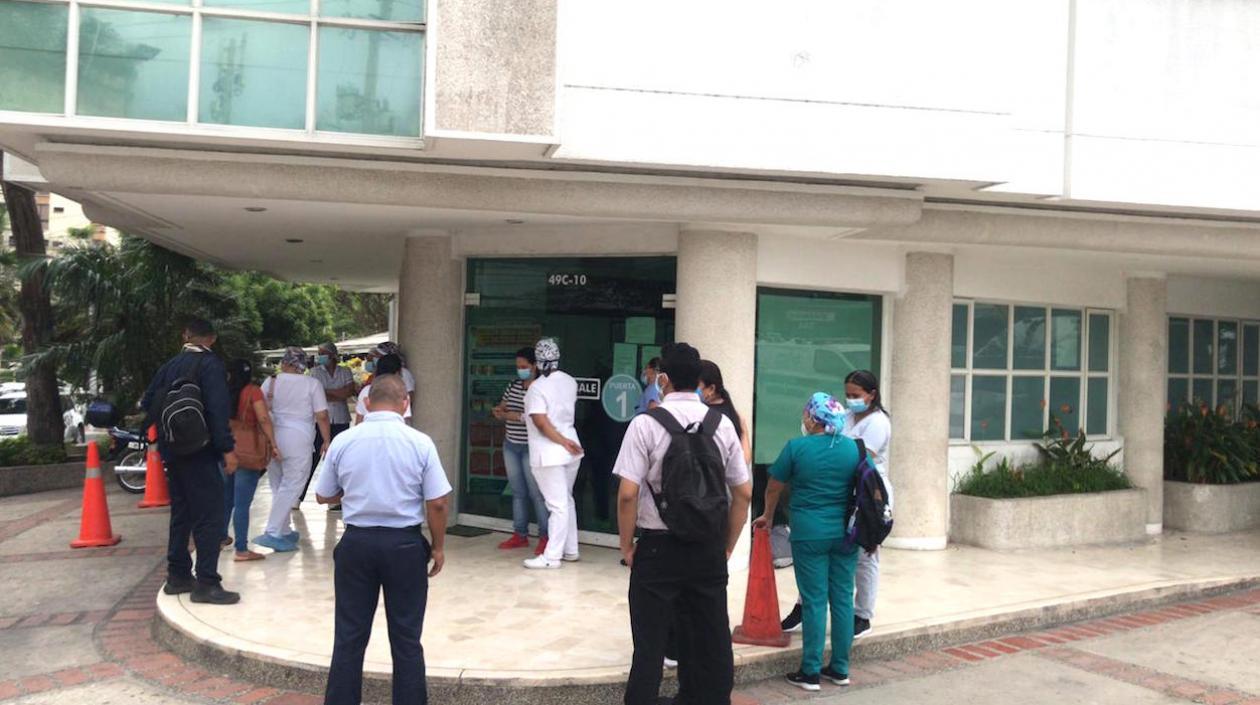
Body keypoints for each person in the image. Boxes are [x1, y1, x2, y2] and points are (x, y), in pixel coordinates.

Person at [613, 342, 752, 705]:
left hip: (658, 547)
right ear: (699, 379)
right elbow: (743, 493)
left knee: (650, 643)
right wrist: (727, 546)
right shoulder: (722, 424)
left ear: (664, 379)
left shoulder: (645, 425)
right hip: (707, 548)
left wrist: (626, 546)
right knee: (710, 635)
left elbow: (627, 494)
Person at [314, 374, 451, 705]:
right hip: (404, 547)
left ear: (367, 403)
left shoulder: (344, 441)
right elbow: (437, 502)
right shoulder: (420, 442)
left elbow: (322, 495)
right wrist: (438, 547)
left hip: (356, 544)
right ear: (405, 403)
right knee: (406, 638)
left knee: (349, 635)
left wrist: (357, 489)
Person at [755, 393, 861, 692]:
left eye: (806, 414)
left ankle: (811, 672)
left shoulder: (796, 447)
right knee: (843, 599)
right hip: (846, 534)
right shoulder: (853, 448)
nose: (803, 418)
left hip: (809, 533)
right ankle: (840, 668)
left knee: (814, 600)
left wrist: (767, 515)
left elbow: (774, 486)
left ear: (814, 419)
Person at [780, 370, 892, 639]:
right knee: (816, 560)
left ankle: (862, 615)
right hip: (842, 492)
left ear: (872, 395)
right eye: (848, 395)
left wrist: (821, 448)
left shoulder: (878, 423)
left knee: (865, 556)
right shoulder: (849, 416)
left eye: (856, 395)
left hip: (867, 493)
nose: (851, 400)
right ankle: (803, 607)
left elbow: (860, 455)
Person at [141, 318, 240, 605]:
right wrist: (227, 449)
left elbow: (148, 403)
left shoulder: (169, 366)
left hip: (172, 450)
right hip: (201, 450)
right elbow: (218, 409)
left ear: (186, 335)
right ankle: (207, 582)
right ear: (212, 338)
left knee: (181, 512)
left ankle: (178, 575)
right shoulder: (210, 365)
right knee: (210, 515)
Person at [255, 346, 330, 552]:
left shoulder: (271, 381)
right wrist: (326, 440)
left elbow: (260, 409)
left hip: (272, 436)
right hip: (298, 438)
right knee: (293, 484)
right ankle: (272, 532)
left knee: (278, 485)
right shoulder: (312, 384)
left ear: (285, 362)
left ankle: (284, 529)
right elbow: (322, 415)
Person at [521, 338, 584, 569]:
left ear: (537, 362)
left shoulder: (537, 387)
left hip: (549, 453)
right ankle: (571, 549)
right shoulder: (570, 381)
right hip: (571, 450)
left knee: (557, 505)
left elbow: (541, 422)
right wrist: (566, 441)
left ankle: (551, 557)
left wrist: (562, 441)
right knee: (566, 500)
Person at [491, 346, 549, 554]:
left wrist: (513, 416)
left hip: (531, 446)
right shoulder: (514, 385)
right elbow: (504, 406)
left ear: (534, 366)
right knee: (517, 492)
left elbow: (535, 417)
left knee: (536, 493)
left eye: (524, 366)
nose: (520, 370)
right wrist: (500, 411)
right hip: (511, 444)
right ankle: (520, 534)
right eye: (518, 366)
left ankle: (545, 536)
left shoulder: (540, 388)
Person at [221, 358, 281, 562]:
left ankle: (220, 537)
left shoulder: (222, 391)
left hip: (225, 448)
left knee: (227, 498)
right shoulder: (252, 391)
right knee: (242, 503)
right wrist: (273, 443)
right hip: (247, 451)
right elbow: (263, 418)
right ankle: (241, 549)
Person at [306, 342, 356, 508]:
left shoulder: (345, 371)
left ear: (333, 355)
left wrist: (325, 392)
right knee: (313, 458)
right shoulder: (315, 372)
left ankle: (334, 500)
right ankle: (298, 497)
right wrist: (337, 393)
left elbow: (348, 392)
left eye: (323, 353)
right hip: (319, 421)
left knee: (339, 459)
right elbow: (316, 395)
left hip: (341, 419)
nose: (320, 355)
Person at [698, 359, 753, 466]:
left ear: (711, 389)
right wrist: (744, 432)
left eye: (695, 385)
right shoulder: (734, 414)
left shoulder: (703, 414)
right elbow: (744, 459)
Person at [355, 354, 411, 424]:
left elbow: (359, 420)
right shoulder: (401, 392)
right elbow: (406, 421)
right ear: (397, 372)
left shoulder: (366, 390)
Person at [369, 342, 415, 407]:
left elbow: (409, 396)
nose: (375, 358)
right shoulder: (378, 372)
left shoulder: (404, 373)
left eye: (378, 355)